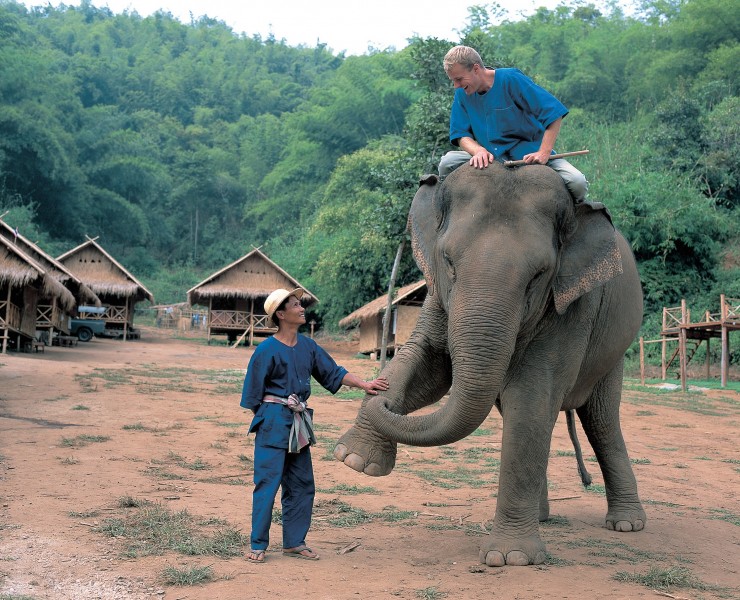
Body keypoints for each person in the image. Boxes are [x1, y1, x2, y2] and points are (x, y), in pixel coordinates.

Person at [240, 287, 389, 563]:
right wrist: (274, 414)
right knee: (267, 484)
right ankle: (258, 544)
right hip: (273, 424)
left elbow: (333, 373)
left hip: (299, 426)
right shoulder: (265, 351)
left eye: (300, 304)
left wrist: (364, 384)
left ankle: (294, 542)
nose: (302, 308)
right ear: (281, 315)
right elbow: (252, 397)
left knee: (302, 484)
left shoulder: (309, 347)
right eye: (295, 305)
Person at [439, 45, 588, 203]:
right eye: (453, 81)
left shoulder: (511, 79)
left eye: (459, 79)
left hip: (528, 154)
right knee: (446, 163)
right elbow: (461, 134)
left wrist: (544, 152)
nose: (456, 85)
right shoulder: (462, 94)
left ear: (476, 69)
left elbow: (554, 114)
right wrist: (477, 150)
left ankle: (573, 219)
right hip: (490, 157)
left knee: (577, 182)